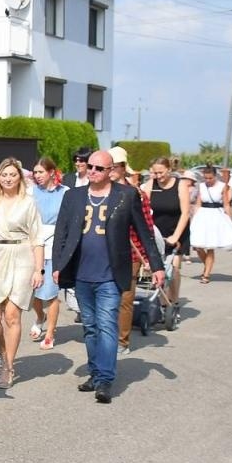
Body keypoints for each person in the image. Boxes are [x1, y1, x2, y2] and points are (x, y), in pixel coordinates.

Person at [50, 149, 165, 404]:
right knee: (90, 327)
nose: (92, 171)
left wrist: (156, 266)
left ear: (110, 171)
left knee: (106, 325)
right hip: (81, 274)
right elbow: (62, 233)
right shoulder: (73, 196)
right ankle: (94, 372)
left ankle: (104, 379)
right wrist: (57, 265)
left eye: (99, 168)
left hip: (111, 275)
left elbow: (144, 233)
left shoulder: (126, 195)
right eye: (90, 166)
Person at [0, 157, 45, 389]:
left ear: (19, 178)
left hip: (22, 257)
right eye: (4, 175)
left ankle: (9, 366)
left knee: (12, 315)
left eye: (13, 174)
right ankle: (2, 354)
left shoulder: (28, 203)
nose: (8, 178)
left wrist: (39, 269)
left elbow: (37, 238)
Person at [107, 150, 156, 355]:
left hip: (130, 253)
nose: (110, 170)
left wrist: (150, 258)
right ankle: (105, 337)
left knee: (125, 298)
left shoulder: (137, 194)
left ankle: (122, 341)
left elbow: (147, 227)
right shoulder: (99, 192)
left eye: (115, 166)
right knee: (105, 297)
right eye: (108, 166)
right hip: (104, 252)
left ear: (122, 168)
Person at [30, 157, 69, 350]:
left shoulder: (65, 192)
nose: (37, 175)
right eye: (35, 172)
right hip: (32, 246)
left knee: (51, 293)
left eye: (41, 172)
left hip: (54, 247)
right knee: (33, 292)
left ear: (52, 172)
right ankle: (40, 316)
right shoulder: (30, 192)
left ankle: (50, 333)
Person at [143, 157, 190, 308]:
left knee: (174, 267)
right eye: (155, 173)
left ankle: (173, 301)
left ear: (169, 170)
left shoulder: (180, 185)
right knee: (156, 267)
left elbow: (185, 213)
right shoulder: (151, 185)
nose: (158, 176)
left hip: (177, 232)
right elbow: (144, 209)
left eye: (161, 172)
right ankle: (160, 300)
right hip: (157, 232)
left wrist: (176, 236)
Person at [189, 164, 232, 284]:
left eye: (210, 178)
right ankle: (207, 265)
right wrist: (194, 219)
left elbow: (226, 204)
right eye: (206, 178)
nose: (208, 180)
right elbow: (198, 203)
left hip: (216, 215)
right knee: (198, 246)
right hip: (203, 215)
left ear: (215, 176)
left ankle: (206, 274)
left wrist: (230, 219)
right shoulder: (202, 186)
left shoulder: (222, 186)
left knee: (210, 246)